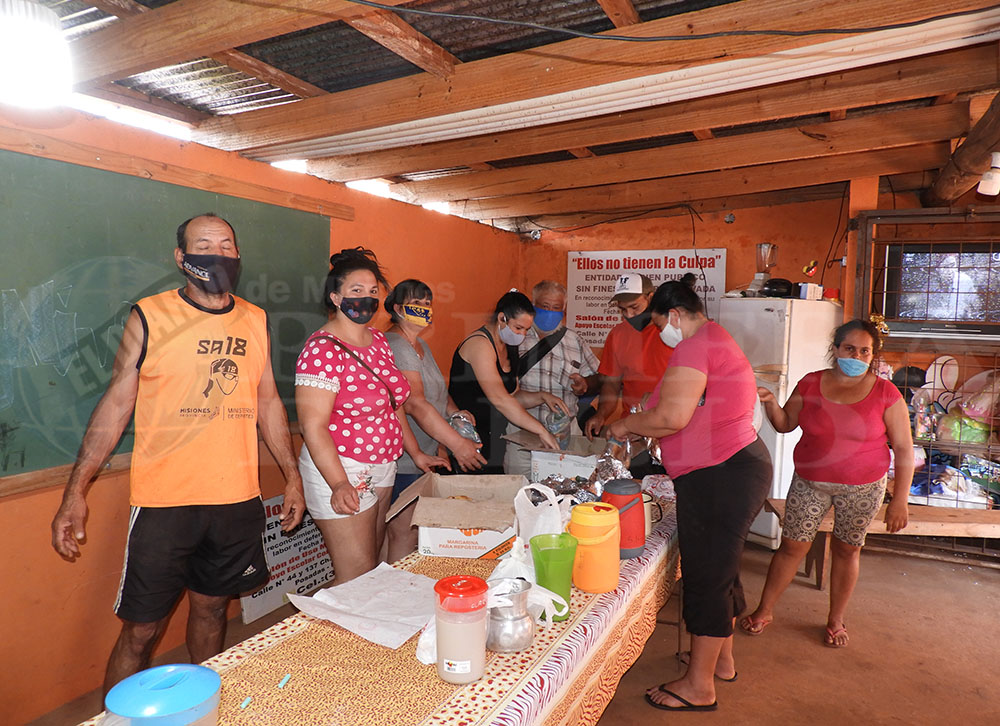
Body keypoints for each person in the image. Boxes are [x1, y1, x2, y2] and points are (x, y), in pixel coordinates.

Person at [50, 213, 306, 695]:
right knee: (141, 630)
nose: (218, 253)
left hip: (235, 500)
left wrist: (291, 476)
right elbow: (116, 403)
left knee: (212, 611)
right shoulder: (148, 315)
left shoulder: (254, 318)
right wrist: (74, 492)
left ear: (237, 254)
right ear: (181, 258)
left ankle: (203, 706)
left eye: (227, 245)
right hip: (165, 502)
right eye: (203, 244)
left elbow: (267, 401)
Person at [608, 278, 772, 712]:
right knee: (723, 568)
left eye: (660, 323)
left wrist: (624, 426)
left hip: (721, 473)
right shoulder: (712, 338)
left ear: (675, 316)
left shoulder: (694, 345)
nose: (660, 332)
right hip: (731, 467)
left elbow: (673, 416)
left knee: (706, 577)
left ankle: (699, 685)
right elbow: (671, 405)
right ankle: (720, 660)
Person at [739, 319, 913, 648]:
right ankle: (765, 610)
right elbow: (785, 424)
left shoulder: (885, 393)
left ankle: (835, 619)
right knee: (792, 547)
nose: (857, 356)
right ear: (835, 349)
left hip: (864, 487)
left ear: (872, 355)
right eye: (850, 348)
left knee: (847, 551)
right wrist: (770, 402)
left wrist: (899, 500)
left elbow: (903, 449)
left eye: (865, 351)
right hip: (810, 482)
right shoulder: (810, 384)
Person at [295, 250, 447, 584]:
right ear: (335, 297)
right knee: (355, 574)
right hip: (343, 467)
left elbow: (394, 404)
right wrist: (337, 482)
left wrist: (416, 452)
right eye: (356, 290)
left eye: (373, 290)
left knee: (373, 564)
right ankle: (325, 635)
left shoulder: (378, 341)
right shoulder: (322, 349)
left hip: (382, 466)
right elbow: (313, 425)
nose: (367, 297)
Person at [383, 279, 487, 560]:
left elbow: (437, 392)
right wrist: (458, 444)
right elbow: (415, 403)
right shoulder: (396, 345)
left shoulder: (420, 345)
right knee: (404, 533)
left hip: (424, 454)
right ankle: (397, 593)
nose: (423, 309)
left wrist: (455, 412)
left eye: (427, 304)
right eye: (415, 304)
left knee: (411, 532)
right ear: (396, 308)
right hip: (404, 457)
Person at [448, 290, 568, 473]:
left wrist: (542, 397)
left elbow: (513, 396)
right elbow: (500, 400)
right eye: (518, 328)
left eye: (527, 330)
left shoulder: (509, 346)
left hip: (495, 438)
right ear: (502, 318)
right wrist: (540, 430)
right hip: (468, 439)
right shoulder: (480, 345)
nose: (522, 334)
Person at [503, 280, 600, 475]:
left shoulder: (574, 339)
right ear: (533, 305)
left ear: (564, 310)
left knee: (569, 494)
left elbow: (600, 378)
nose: (550, 312)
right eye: (544, 307)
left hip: (566, 437)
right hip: (522, 436)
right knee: (519, 492)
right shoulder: (514, 337)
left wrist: (585, 385)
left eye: (556, 308)